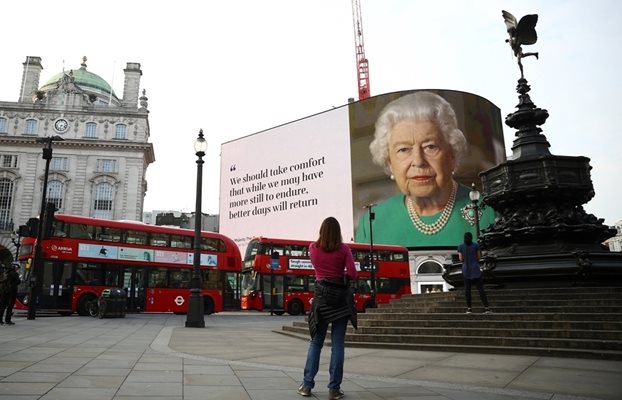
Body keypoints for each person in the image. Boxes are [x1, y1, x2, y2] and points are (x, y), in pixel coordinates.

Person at [355, 91, 496, 247]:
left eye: (430, 147)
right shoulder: (372, 223)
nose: (418, 161)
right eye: (403, 149)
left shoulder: (489, 212)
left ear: (452, 154)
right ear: (389, 162)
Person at [298, 217, 357, 400]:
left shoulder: (312, 249)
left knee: (316, 343)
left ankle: (307, 386)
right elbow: (353, 273)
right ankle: (334, 389)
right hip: (340, 301)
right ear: (338, 231)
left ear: (321, 230)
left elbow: (318, 271)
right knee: (338, 344)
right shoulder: (344, 249)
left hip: (321, 301)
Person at [457, 232, 490, 314]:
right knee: (481, 289)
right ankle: (486, 308)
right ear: (471, 237)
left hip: (466, 270)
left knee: (467, 290)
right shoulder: (476, 245)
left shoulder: (460, 247)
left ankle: (469, 308)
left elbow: (461, 259)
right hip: (475, 269)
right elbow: (479, 257)